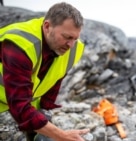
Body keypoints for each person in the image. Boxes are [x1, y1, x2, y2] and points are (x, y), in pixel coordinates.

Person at [0, 2, 89, 141]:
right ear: (47, 26)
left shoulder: (71, 48)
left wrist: (45, 114)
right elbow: (19, 106)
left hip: (19, 105)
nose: (71, 45)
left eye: (75, 39)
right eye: (67, 37)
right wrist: (62, 135)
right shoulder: (20, 44)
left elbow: (54, 80)